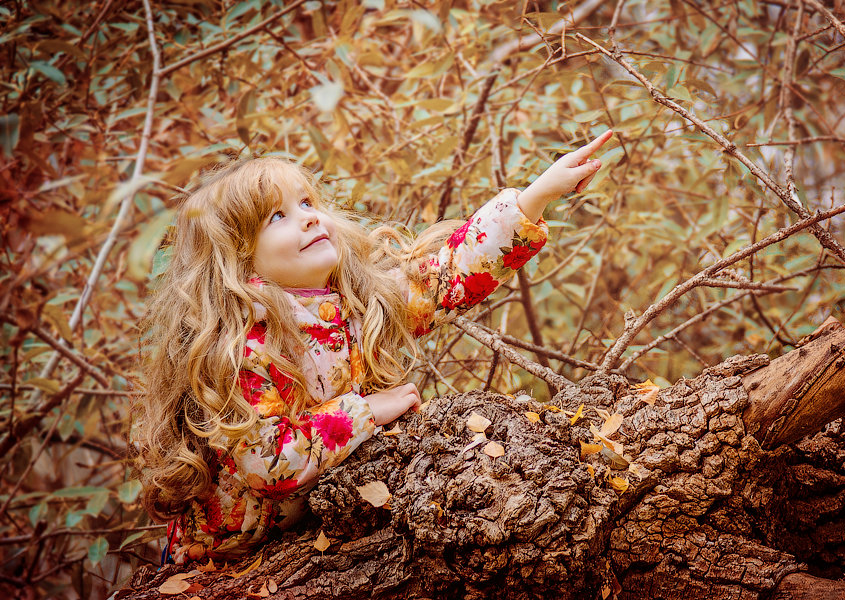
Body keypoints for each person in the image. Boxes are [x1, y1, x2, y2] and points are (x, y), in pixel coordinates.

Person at [134, 130, 614, 564]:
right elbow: (266, 463)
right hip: (222, 555)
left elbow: (450, 276)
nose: (307, 219)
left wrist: (536, 196)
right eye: (277, 216)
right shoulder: (243, 346)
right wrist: (365, 411)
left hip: (313, 534)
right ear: (237, 259)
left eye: (306, 203)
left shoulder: (357, 304)